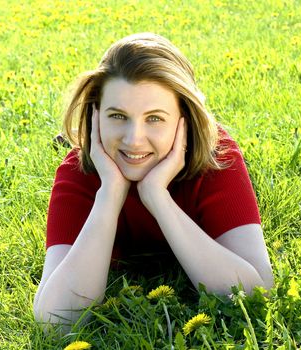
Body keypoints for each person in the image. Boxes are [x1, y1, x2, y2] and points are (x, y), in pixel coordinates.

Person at [32, 33, 274, 331]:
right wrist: (110, 193)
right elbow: (56, 321)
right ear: (95, 116)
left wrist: (157, 197)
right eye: (118, 116)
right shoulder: (78, 172)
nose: (134, 140)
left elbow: (256, 295)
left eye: (155, 118)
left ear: (183, 119)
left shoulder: (218, 157)